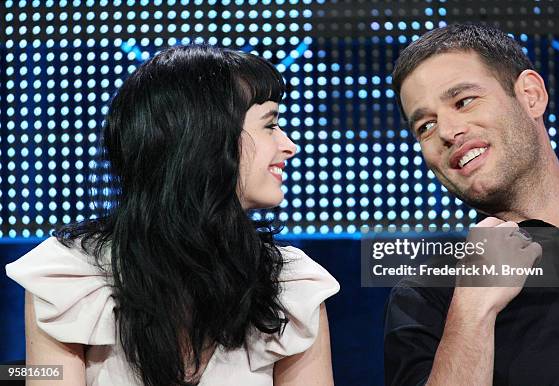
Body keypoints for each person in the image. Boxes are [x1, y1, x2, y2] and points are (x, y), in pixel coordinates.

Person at [6, 44, 339, 386]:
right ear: (207, 139)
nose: (289, 145)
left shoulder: (291, 285)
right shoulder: (69, 277)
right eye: (270, 125)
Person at [384, 23, 559, 385]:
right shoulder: (425, 292)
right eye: (425, 126)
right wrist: (473, 310)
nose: (445, 132)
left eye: (463, 101)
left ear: (531, 95)